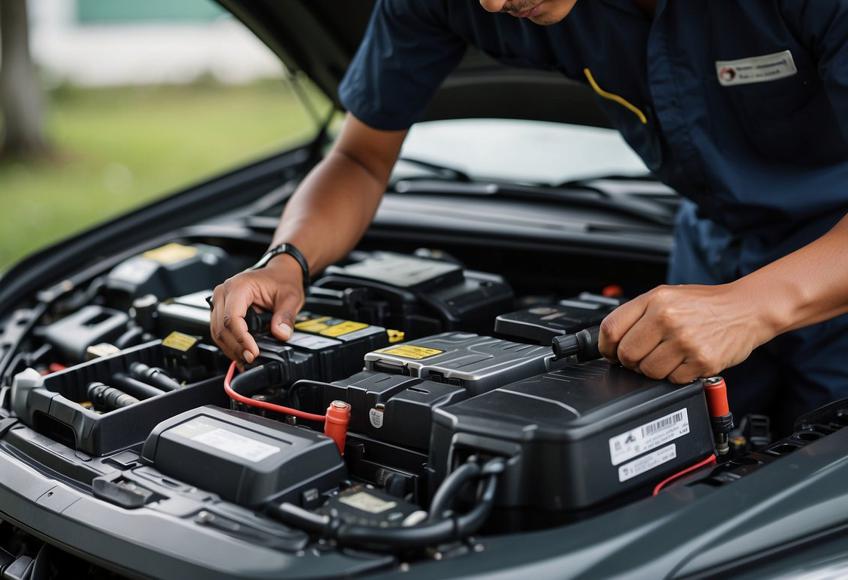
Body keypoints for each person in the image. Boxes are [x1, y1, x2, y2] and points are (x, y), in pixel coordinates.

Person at [211, 0, 848, 433]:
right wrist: (288, 260)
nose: (490, 3)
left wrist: (753, 306)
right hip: (710, 254)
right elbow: (359, 156)